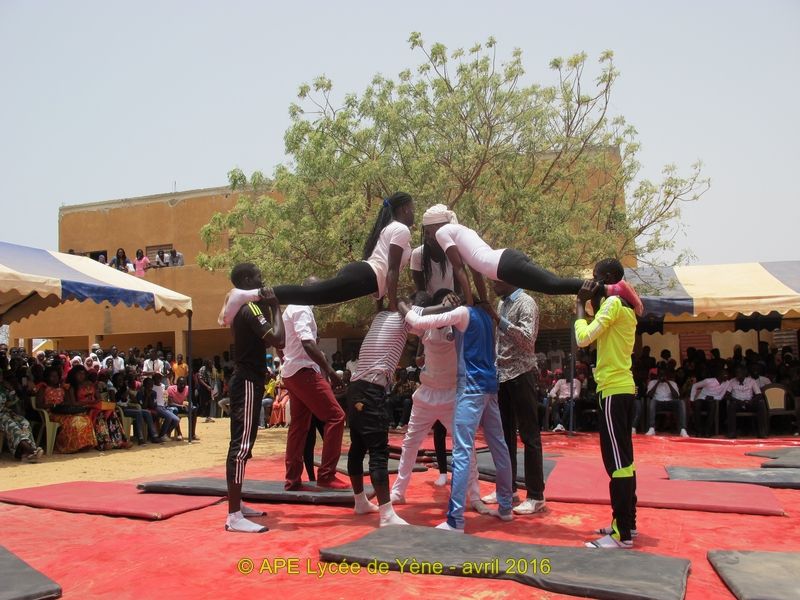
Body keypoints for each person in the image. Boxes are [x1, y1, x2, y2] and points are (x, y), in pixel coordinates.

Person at [403, 293, 514, 533]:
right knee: (499, 447)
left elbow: (419, 322)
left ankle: (455, 520)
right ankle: (506, 507)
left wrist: (404, 306)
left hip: (470, 388)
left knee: (462, 452)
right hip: (489, 388)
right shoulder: (487, 316)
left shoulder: (463, 313)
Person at [219, 192, 416, 324]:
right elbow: (391, 270)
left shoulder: (392, 229)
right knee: (309, 295)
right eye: (413, 209)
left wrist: (380, 306)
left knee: (312, 294)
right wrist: (391, 306)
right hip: (364, 276)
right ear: (405, 209)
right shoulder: (400, 229)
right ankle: (247, 295)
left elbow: (383, 269)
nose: (414, 214)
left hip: (365, 276)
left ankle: (250, 297)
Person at [424, 219, 643, 313]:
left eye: (427, 231)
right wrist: (481, 301)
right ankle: (603, 292)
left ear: (435, 225)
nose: (428, 237)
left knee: (553, 285)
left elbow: (459, 270)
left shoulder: (442, 232)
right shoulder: (462, 231)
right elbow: (475, 272)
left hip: (504, 265)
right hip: (505, 260)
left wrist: (470, 304)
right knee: (553, 285)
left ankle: (613, 288)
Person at [574, 258, 638, 549]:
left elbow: (584, 338)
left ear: (610, 277)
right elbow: (599, 318)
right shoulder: (623, 308)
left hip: (613, 390)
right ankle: (628, 523)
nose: (592, 279)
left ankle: (621, 533)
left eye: (596, 276)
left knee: (617, 463)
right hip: (621, 389)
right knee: (625, 461)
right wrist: (592, 301)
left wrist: (578, 305)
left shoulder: (613, 305)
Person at [346, 300, 426, 527]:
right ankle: (386, 515)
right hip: (371, 390)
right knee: (378, 451)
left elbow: (382, 296)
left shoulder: (380, 315)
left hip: (356, 389)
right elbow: (425, 318)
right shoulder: (407, 314)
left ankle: (360, 502)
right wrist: (450, 305)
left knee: (358, 446)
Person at [225, 263, 285, 533]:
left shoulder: (242, 309)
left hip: (249, 379)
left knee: (244, 445)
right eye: (259, 276)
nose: (263, 279)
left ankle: (237, 505)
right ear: (247, 280)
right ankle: (234, 516)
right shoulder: (251, 309)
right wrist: (276, 308)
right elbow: (277, 340)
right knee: (240, 447)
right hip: (247, 380)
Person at [479, 279, 546, 515]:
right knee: (503, 438)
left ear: (510, 278)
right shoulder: (501, 303)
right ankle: (506, 490)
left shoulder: (526, 303)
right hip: (502, 375)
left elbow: (528, 341)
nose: (492, 283)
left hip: (522, 373)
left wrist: (498, 320)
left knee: (529, 436)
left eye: (496, 278)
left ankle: (536, 495)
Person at [391, 290, 461, 502]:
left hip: (451, 395)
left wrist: (456, 301)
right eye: (442, 306)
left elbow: (466, 305)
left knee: (463, 445)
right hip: (427, 395)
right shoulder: (424, 327)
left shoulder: (459, 324)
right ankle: (398, 491)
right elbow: (404, 310)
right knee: (410, 443)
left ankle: (472, 494)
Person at [280, 278, 348, 491]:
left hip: (292, 371)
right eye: (320, 289)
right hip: (303, 371)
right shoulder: (302, 308)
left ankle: (292, 478)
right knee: (336, 417)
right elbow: (307, 342)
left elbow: (280, 344)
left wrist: (287, 362)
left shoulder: (291, 308)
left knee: (299, 425)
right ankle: (326, 475)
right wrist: (329, 371)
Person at [36, 366, 96, 453]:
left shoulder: (63, 388)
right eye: (52, 376)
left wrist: (64, 404)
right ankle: (69, 446)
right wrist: (52, 405)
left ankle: (83, 444)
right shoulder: (43, 388)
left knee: (85, 419)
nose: (54, 378)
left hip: (63, 411)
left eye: (56, 376)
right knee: (73, 421)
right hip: (51, 413)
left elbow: (68, 401)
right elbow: (39, 404)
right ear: (47, 377)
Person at [0, 370, 43, 462]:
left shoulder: (3, 389)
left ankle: (26, 453)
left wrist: (11, 390)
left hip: (6, 412)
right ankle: (31, 451)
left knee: (24, 422)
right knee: (13, 426)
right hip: (1, 416)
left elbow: (13, 401)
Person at [112, 372, 162, 444]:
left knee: (147, 412)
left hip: (128, 407)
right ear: (114, 381)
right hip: (121, 410)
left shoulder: (125, 388)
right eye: (119, 380)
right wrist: (123, 396)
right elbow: (114, 403)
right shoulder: (113, 389)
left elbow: (135, 401)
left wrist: (130, 394)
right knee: (138, 413)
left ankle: (154, 435)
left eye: (122, 380)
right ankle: (140, 437)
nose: (121, 382)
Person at [723, 364, 767, 439]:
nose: (737, 374)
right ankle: (732, 433)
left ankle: (761, 432)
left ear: (744, 373)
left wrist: (751, 401)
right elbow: (727, 395)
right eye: (736, 372)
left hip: (749, 403)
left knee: (761, 403)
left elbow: (759, 395)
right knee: (731, 406)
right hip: (737, 403)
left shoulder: (751, 381)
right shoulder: (732, 381)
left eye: (739, 372)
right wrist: (737, 401)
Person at [645, 366, 689, 437]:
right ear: (658, 374)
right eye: (660, 374)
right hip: (658, 403)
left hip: (669, 403)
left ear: (667, 375)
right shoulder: (652, 382)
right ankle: (651, 428)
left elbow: (676, 396)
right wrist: (658, 382)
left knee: (681, 402)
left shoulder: (673, 383)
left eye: (664, 374)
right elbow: (649, 395)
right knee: (652, 401)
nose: (662, 376)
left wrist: (668, 382)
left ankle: (682, 429)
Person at [689, 367, 728, 437]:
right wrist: (692, 400)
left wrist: (712, 397)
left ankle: (708, 431)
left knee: (712, 405)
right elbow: (695, 386)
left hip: (713, 400)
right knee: (697, 404)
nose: (726, 376)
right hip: (702, 398)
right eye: (725, 375)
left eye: (727, 374)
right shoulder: (708, 381)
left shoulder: (727, 383)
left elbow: (721, 396)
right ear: (719, 375)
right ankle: (698, 430)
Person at [167, 377, 198, 441]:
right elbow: (170, 403)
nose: (182, 386)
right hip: (174, 407)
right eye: (181, 384)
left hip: (182, 406)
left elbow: (190, 400)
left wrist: (190, 405)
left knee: (194, 409)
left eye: (184, 384)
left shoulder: (187, 388)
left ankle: (192, 434)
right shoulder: (171, 389)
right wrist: (181, 406)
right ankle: (179, 433)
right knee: (174, 410)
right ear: (177, 383)